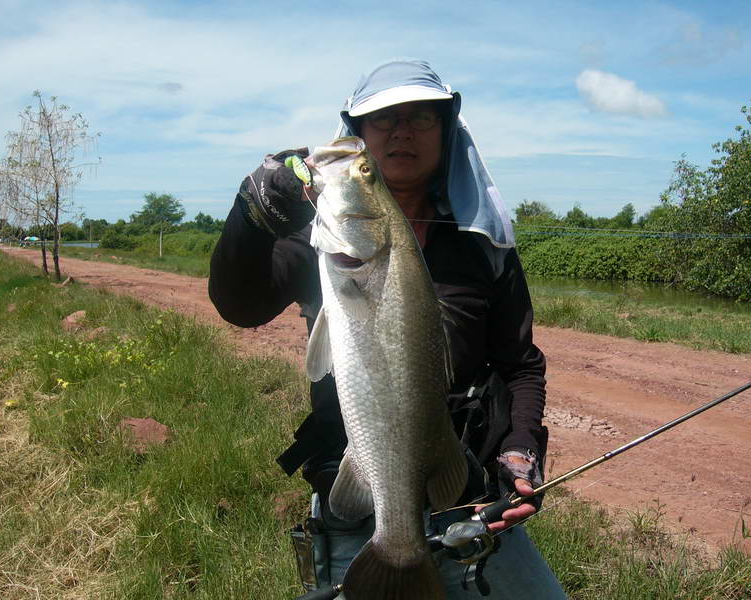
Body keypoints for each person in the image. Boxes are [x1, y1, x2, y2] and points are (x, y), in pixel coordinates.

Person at [209, 58, 566, 599]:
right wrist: (250, 213)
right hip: (358, 508)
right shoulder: (320, 239)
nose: (402, 131)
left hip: (470, 501)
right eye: (383, 120)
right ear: (358, 133)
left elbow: (520, 364)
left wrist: (521, 448)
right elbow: (240, 306)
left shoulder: (485, 244)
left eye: (422, 118)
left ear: (447, 133)